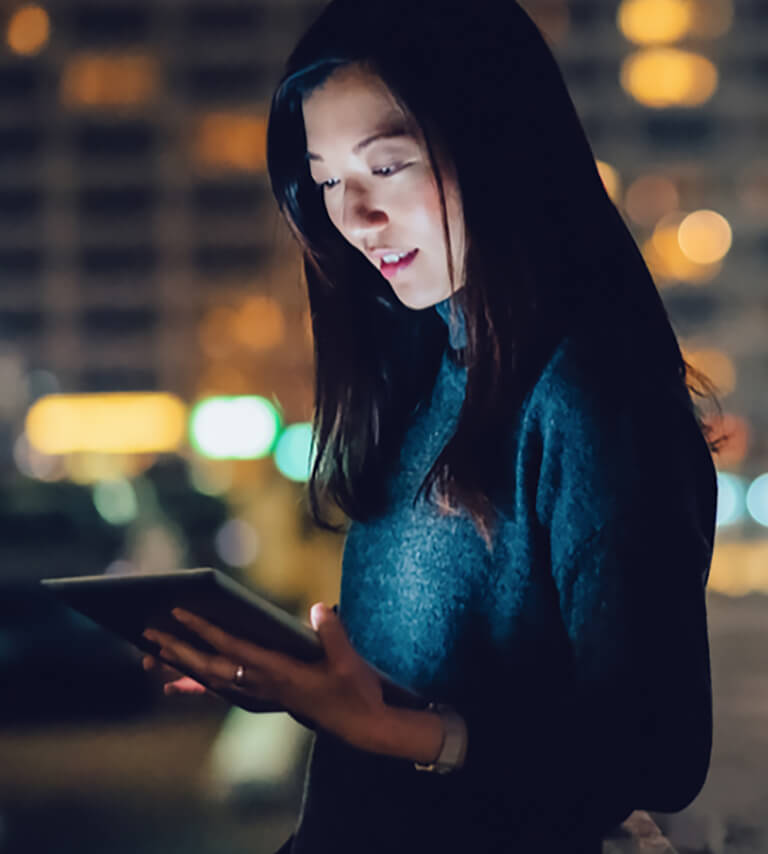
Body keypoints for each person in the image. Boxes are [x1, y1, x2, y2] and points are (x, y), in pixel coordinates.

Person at [142, 0, 725, 851]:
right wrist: (296, 677)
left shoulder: (587, 396)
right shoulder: (422, 375)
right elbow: (437, 683)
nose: (354, 216)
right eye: (329, 178)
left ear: (499, 149)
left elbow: (658, 752)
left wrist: (408, 735)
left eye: (388, 165)